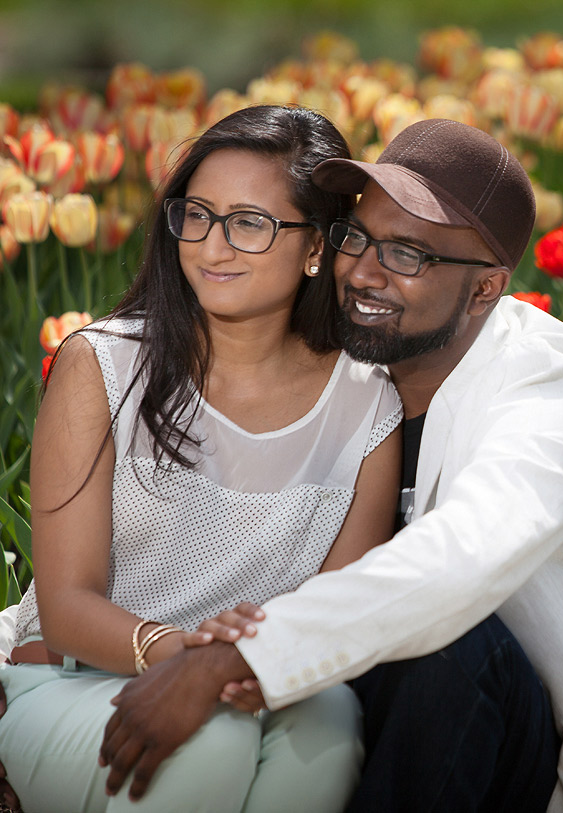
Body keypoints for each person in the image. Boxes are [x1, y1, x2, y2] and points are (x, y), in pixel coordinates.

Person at [98, 118, 563, 811]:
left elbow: (463, 556)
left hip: (517, 757)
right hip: (340, 721)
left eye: (408, 254)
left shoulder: (542, 380)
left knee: (451, 646)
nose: (362, 270)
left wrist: (238, 657)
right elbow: (194, 536)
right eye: (356, 236)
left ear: (485, 289)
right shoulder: (347, 368)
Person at [0, 104, 404, 811]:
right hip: (71, 679)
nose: (212, 247)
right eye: (198, 214)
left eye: (249, 222)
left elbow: (339, 611)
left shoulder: (367, 404)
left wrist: (222, 674)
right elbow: (64, 606)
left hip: (260, 686)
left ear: (317, 247)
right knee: (211, 745)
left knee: (333, 725)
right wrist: (190, 663)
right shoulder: (102, 366)